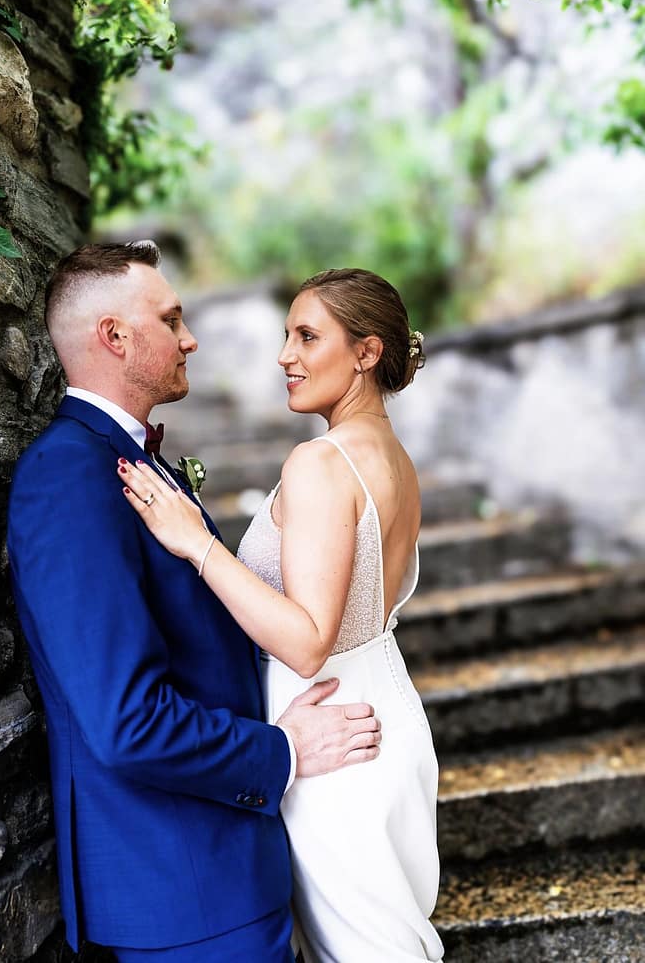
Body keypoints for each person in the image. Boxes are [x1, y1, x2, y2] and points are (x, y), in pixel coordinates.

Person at [7, 243, 383, 963]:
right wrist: (281, 750)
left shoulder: (126, 459)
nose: (190, 337)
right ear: (114, 337)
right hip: (183, 892)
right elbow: (126, 721)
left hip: (220, 874)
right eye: (170, 318)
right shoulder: (67, 478)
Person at [119, 267, 445, 963]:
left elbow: (305, 642)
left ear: (366, 351)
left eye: (306, 336)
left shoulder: (320, 464)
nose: (283, 356)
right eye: (284, 335)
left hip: (332, 734)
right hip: (380, 708)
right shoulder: (394, 459)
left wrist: (197, 544)